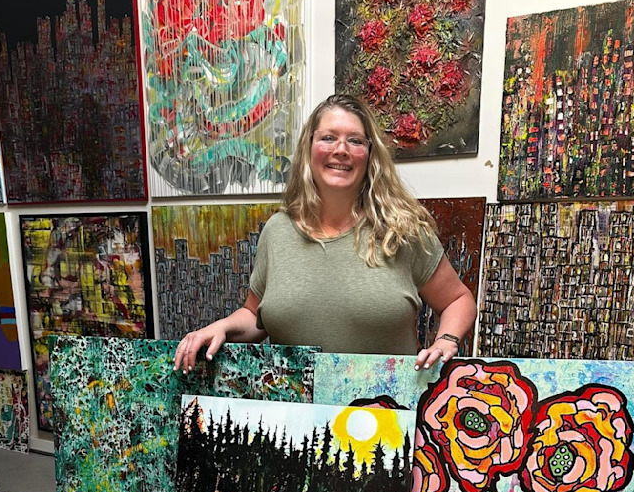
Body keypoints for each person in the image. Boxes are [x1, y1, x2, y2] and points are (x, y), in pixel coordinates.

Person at [174, 94, 477, 373]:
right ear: (309, 149)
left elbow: (458, 300)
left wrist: (446, 340)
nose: (341, 150)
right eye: (328, 138)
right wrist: (221, 327)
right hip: (297, 411)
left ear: (370, 155)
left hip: (383, 407)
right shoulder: (277, 231)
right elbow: (255, 316)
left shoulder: (401, 230)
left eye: (355, 141)